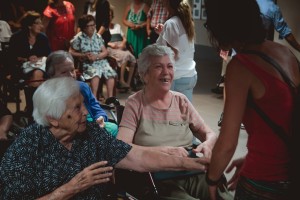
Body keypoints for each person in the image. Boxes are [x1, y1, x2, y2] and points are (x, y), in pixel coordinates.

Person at [0, 76, 210, 199]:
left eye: (83, 103)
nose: (86, 112)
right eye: (77, 107)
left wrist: (191, 162)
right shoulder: (27, 146)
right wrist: (71, 188)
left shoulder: (89, 132)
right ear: (53, 119)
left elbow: (136, 157)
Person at [204, 0, 300, 199]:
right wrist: (251, 157)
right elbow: (284, 118)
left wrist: (212, 179)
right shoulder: (286, 54)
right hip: (292, 176)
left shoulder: (241, 66)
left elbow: (228, 142)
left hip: (263, 182)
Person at [117, 44, 231, 200]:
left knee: (224, 197)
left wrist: (207, 144)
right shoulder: (135, 103)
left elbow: (209, 133)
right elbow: (120, 149)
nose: (166, 72)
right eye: (158, 67)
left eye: (169, 66)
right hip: (157, 177)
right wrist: (165, 150)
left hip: (191, 171)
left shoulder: (180, 101)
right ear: (145, 75)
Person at [45, 50, 118, 137]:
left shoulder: (82, 87)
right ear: (51, 76)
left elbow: (95, 107)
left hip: (91, 122)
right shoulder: (48, 95)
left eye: (72, 70)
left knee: (114, 128)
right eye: (64, 72)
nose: (70, 75)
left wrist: (100, 118)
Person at [8, 11, 51, 117]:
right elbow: (11, 57)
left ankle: (33, 108)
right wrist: (26, 58)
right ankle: (35, 109)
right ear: (29, 25)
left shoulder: (42, 38)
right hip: (20, 68)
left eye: (41, 23)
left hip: (40, 68)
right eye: (38, 23)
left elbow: (49, 55)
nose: (41, 26)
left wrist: (38, 58)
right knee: (36, 75)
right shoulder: (17, 37)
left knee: (37, 74)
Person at [156, 0, 197, 102]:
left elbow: (172, 54)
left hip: (176, 77)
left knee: (170, 115)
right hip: (189, 75)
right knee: (185, 114)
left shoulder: (171, 23)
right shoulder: (187, 22)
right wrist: (163, 33)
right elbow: (181, 45)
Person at [69, 14, 117, 99]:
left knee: (110, 73)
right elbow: (71, 52)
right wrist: (84, 55)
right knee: (95, 74)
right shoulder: (79, 38)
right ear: (84, 27)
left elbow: (105, 52)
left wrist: (97, 56)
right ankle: (94, 99)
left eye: (94, 25)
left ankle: (110, 99)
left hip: (100, 61)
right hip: (88, 63)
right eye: (90, 26)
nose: (93, 27)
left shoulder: (98, 36)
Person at [108, 5, 136, 89]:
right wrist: (110, 44)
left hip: (120, 46)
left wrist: (123, 43)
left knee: (133, 59)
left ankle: (128, 82)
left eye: (110, 15)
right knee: (125, 55)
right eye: (107, 16)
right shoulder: (103, 28)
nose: (109, 17)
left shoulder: (117, 26)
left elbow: (124, 38)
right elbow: (103, 41)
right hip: (111, 47)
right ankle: (121, 80)